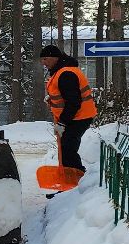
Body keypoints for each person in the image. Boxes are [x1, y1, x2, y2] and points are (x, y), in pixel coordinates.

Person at [40, 44, 97, 178]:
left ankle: (78, 181)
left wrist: (62, 123)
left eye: (45, 59)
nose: (43, 63)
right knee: (66, 149)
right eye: (42, 60)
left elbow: (74, 102)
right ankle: (70, 182)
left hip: (79, 117)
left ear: (55, 58)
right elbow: (65, 95)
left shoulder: (66, 73)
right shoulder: (62, 71)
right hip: (75, 117)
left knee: (68, 150)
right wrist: (52, 99)